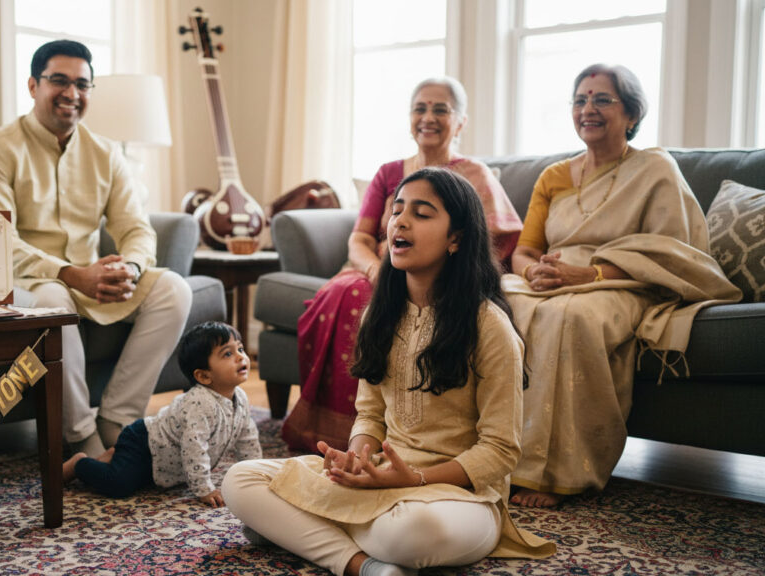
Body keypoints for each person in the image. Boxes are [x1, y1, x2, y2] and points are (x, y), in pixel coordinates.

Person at [224, 168, 555, 576]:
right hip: (379, 482)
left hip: (457, 500)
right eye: (397, 211)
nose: (399, 221)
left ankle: (294, 531)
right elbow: (370, 414)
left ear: (457, 237)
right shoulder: (379, 316)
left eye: (422, 212)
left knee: (410, 534)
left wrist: (412, 479)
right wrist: (358, 460)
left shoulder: (489, 325)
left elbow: (501, 451)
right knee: (240, 481)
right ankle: (360, 565)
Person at [505, 64, 741, 508]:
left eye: (601, 99)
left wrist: (590, 275)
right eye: (580, 100)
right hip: (551, 281)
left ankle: (556, 474)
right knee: (491, 305)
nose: (587, 109)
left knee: (569, 316)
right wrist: (532, 270)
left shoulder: (655, 168)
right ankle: (487, 457)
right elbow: (526, 248)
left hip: (621, 284)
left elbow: (670, 254)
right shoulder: (553, 176)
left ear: (631, 113)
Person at [0, 40, 193, 456]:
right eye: (60, 81)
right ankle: (79, 437)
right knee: (54, 297)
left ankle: (119, 420)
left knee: (174, 288)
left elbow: (136, 230)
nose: (72, 93)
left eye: (83, 84)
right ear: (33, 85)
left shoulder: (105, 153)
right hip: (23, 285)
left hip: (88, 282)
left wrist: (131, 270)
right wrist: (72, 274)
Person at [283, 77, 522, 453]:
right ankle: (347, 440)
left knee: (363, 295)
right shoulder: (389, 173)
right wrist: (376, 269)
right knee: (344, 291)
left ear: (460, 122)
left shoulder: (474, 176)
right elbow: (359, 239)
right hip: (383, 269)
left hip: (439, 274)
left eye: (440, 109)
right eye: (420, 108)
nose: (428, 117)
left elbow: (494, 243)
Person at [63, 321, 262, 507]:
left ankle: (115, 456)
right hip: (143, 444)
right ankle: (80, 463)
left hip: (162, 459)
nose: (240, 357)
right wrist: (204, 490)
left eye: (241, 349)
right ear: (203, 376)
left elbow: (247, 438)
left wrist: (256, 474)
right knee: (119, 485)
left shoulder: (240, 398)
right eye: (228, 354)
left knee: (144, 480)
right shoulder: (200, 404)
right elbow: (194, 448)